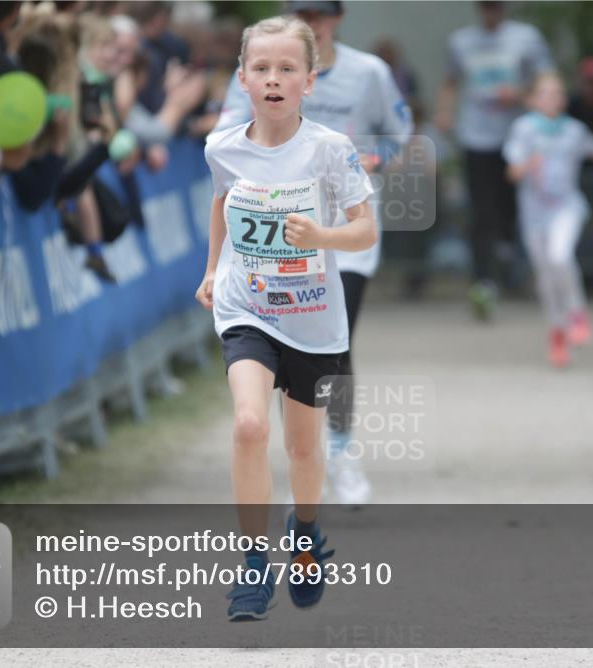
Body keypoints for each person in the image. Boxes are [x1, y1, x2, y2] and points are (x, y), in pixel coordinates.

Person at [197, 15, 376, 621]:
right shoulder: (221, 145)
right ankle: (252, 564)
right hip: (247, 306)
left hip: (313, 317)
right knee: (250, 425)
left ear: (309, 80)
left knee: (303, 451)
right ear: (243, 77)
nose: (274, 79)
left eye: (287, 69)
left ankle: (305, 534)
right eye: (262, 68)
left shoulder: (330, 149)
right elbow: (223, 201)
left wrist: (319, 233)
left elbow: (364, 228)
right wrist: (212, 269)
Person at [213, 0, 412, 507]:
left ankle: (337, 451)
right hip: (271, 248)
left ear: (337, 20)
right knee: (278, 346)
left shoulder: (369, 72)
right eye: (301, 12)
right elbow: (230, 136)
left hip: (343, 242)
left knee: (333, 352)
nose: (310, 22)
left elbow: (400, 129)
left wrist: (372, 159)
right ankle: (303, 454)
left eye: (319, 15)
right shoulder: (266, 68)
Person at [504, 72, 593, 368]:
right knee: (546, 276)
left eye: (558, 93)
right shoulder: (524, 129)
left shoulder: (573, 130)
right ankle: (557, 331)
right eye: (546, 93)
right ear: (532, 99)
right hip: (534, 213)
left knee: (559, 256)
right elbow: (512, 172)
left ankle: (577, 312)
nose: (554, 98)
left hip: (567, 207)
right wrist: (528, 165)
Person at [434, 0, 554, 321]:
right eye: (486, 6)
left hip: (517, 137)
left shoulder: (526, 37)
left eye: (496, 6)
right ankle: (483, 281)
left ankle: (518, 265)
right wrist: (444, 111)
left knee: (513, 210)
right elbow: (450, 81)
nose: (491, 11)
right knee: (482, 211)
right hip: (476, 137)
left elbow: (547, 81)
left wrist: (519, 93)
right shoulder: (462, 41)